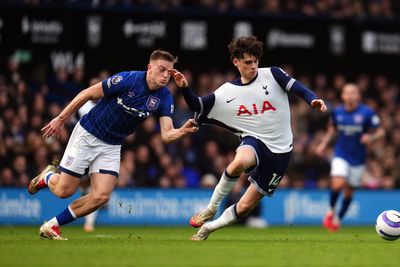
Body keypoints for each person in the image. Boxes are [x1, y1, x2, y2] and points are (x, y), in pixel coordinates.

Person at [28, 50, 198, 240]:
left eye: (170, 72)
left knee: (101, 197)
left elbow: (166, 135)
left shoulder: (165, 96)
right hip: (88, 134)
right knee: (64, 191)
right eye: (162, 70)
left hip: (111, 145)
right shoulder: (128, 79)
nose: (167, 75)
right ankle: (48, 176)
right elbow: (87, 93)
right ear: (149, 68)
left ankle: (51, 226)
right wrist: (60, 119)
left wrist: (183, 130)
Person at [170, 36, 327, 241]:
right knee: (240, 161)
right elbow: (197, 105)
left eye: (255, 61)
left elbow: (299, 88)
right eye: (247, 62)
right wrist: (184, 87)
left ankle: (208, 228)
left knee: (244, 208)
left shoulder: (273, 74)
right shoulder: (227, 92)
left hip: (280, 151)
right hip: (254, 140)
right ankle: (210, 209)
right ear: (236, 62)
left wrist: (312, 99)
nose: (253, 66)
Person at [315, 83, 385, 232]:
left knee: (349, 191)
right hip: (341, 154)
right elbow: (332, 129)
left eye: (353, 92)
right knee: (337, 183)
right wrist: (323, 144)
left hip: (358, 159)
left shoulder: (367, 113)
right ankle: (331, 210)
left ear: (358, 96)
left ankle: (338, 219)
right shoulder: (337, 112)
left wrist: (371, 137)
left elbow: (381, 132)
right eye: (347, 92)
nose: (350, 95)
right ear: (342, 96)